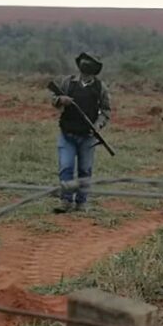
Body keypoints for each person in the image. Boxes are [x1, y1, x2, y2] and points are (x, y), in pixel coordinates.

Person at [49, 52, 112, 213]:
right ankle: (66, 201)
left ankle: (81, 203)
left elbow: (105, 111)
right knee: (66, 167)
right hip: (67, 134)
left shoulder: (100, 88)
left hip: (88, 137)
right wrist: (60, 100)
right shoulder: (68, 82)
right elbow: (54, 99)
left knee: (85, 170)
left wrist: (98, 125)